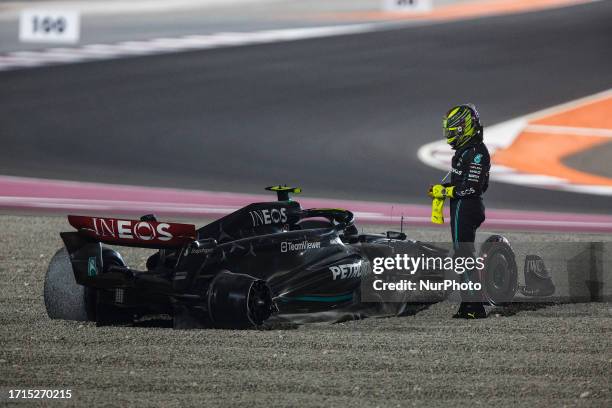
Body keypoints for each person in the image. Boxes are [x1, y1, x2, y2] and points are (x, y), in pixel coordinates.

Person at [428, 103, 490, 319]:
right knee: (462, 255)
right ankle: (468, 303)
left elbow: (472, 187)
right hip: (462, 206)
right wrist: (442, 189)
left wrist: (445, 192)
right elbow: (462, 184)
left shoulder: (477, 153)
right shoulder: (466, 151)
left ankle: (475, 306)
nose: (449, 136)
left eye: (453, 132)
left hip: (467, 207)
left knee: (464, 255)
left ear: (465, 129)